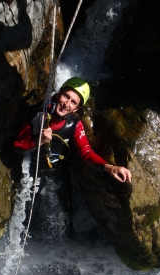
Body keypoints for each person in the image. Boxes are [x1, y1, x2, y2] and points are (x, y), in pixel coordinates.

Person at [13, 77, 131, 239]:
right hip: (33, 166)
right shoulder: (37, 114)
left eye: (73, 102)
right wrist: (38, 141)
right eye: (66, 96)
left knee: (66, 203)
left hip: (57, 167)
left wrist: (109, 167)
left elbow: (86, 153)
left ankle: (69, 230)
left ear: (76, 108)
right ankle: (23, 234)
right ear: (59, 93)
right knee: (27, 202)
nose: (66, 104)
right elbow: (18, 147)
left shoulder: (74, 124)